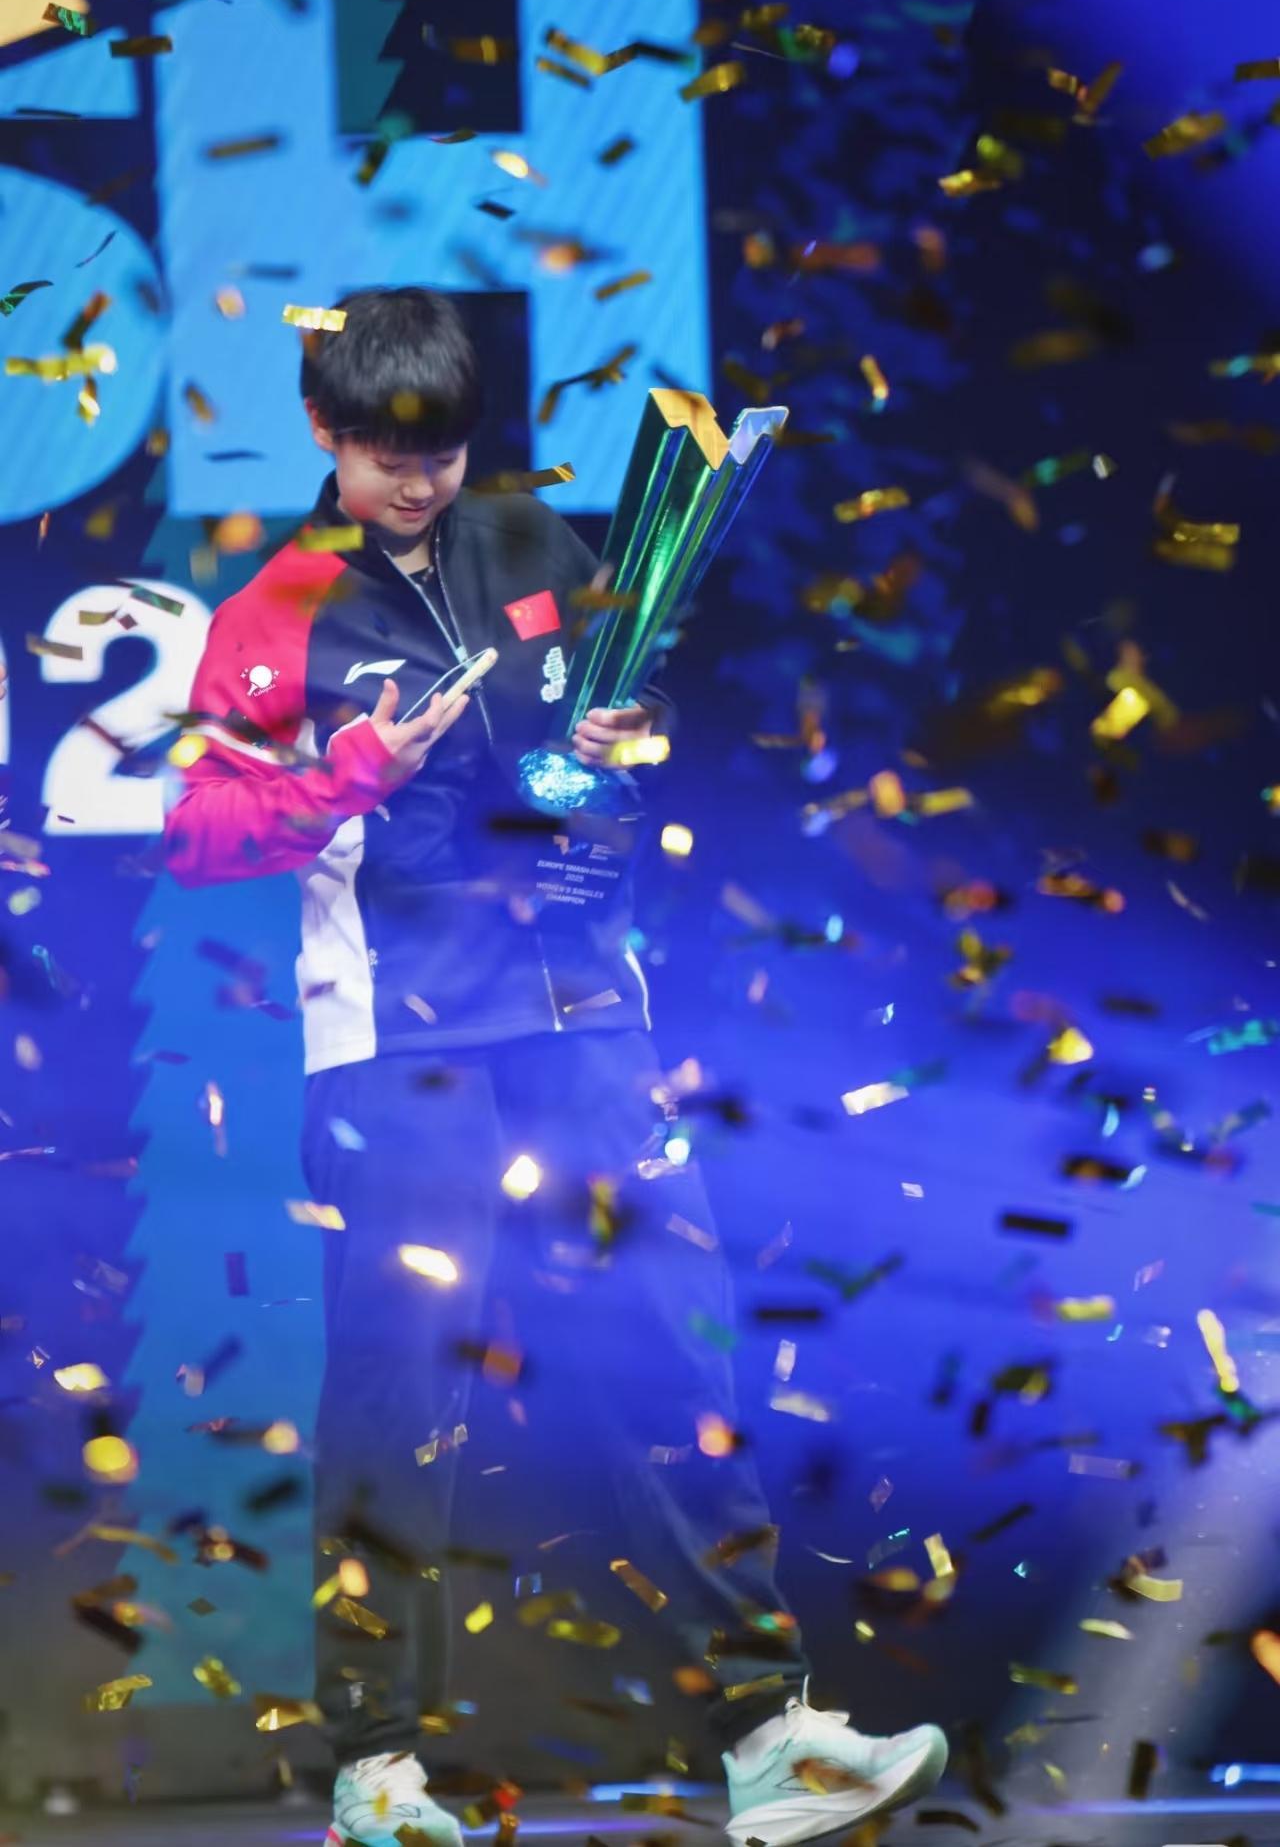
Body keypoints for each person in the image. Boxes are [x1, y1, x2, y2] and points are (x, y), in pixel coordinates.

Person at [163, 288, 947, 1847]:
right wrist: (348, 773)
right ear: (324, 431)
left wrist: (625, 739)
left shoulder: (532, 540)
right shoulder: (276, 609)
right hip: (399, 1040)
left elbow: (637, 713)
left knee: (674, 1347)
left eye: (441, 451)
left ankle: (769, 1737)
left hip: (586, 1012)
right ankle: (378, 1768)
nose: (416, 481)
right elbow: (199, 831)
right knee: (401, 1393)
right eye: (385, 452)